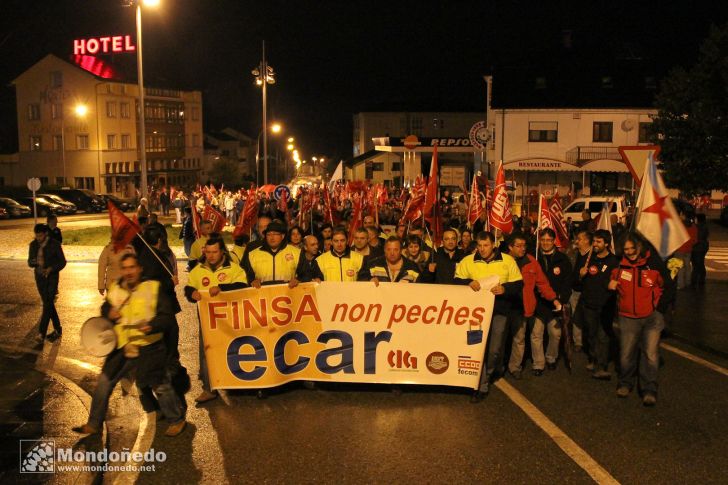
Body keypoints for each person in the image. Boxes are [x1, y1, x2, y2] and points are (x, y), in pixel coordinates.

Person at [74, 254, 186, 437]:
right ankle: (93, 424)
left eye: (132, 267)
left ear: (139, 269)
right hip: (122, 347)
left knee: (160, 386)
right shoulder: (116, 289)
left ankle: (177, 419)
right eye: (125, 268)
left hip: (149, 347)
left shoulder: (153, 288)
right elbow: (105, 309)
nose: (129, 272)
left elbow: (167, 318)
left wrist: (152, 326)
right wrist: (108, 312)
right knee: (104, 383)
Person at [455, 231, 523, 402]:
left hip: (499, 311)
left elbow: (518, 284)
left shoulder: (508, 260)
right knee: (478, 349)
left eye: (486, 245)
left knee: (494, 349)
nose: (482, 249)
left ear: (493, 245)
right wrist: (467, 283)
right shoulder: (468, 260)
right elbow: (456, 281)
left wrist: (504, 289)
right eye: (479, 245)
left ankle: (491, 370)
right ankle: (481, 384)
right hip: (474, 314)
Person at [608, 233, 674, 406]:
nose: (629, 252)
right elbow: (611, 280)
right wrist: (611, 285)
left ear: (639, 246)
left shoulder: (654, 263)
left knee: (650, 355)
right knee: (626, 354)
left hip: (652, 317)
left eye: (632, 248)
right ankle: (625, 383)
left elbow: (667, 285)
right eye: (626, 249)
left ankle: (649, 389)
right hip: (627, 317)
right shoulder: (619, 265)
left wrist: (659, 310)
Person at [185, 236, 248, 403]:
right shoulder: (197, 270)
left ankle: (235, 382)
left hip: (231, 320)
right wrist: (192, 293)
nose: (211, 256)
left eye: (214, 252)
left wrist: (222, 288)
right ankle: (208, 388)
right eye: (208, 252)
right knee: (206, 352)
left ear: (222, 252)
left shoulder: (234, 269)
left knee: (233, 349)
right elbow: (189, 288)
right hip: (208, 320)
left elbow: (242, 287)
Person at [506, 233, 560, 378]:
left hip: (528, 307)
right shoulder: (503, 261)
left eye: (524, 246)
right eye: (518, 246)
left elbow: (542, 283)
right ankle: (513, 366)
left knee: (524, 337)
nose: (522, 249)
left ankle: (523, 366)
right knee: (517, 338)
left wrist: (553, 299)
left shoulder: (531, 261)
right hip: (510, 307)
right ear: (510, 247)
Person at [578, 229, 618, 380]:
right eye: (594, 241)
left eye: (598, 242)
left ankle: (601, 366)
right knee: (591, 334)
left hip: (605, 305)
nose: (595, 244)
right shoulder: (589, 258)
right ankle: (593, 359)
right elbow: (578, 281)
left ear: (606, 244)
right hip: (589, 303)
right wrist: (581, 276)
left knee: (603, 336)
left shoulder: (614, 261)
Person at [535, 228, 572, 371]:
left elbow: (567, 282)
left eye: (548, 240)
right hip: (538, 304)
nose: (545, 243)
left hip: (555, 304)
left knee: (555, 334)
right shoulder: (535, 257)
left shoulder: (563, 259)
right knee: (536, 334)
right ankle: (538, 363)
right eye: (543, 240)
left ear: (553, 241)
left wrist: (561, 299)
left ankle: (551, 357)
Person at [28, 223, 66, 342]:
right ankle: (58, 329)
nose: (38, 238)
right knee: (48, 303)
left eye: (40, 235)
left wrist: (51, 268)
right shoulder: (33, 245)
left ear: (45, 234)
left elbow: (62, 262)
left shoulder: (54, 244)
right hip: (39, 278)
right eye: (36, 236)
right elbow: (29, 262)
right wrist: (33, 262)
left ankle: (41, 333)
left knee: (47, 303)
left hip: (51, 277)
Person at [243, 220, 301, 287]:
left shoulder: (296, 252)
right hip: (262, 295)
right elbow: (244, 275)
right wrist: (252, 281)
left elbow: (306, 274)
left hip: (288, 294)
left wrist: (298, 280)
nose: (272, 237)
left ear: (282, 236)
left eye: (275, 234)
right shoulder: (253, 254)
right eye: (268, 234)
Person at [569, 229, 593, 352]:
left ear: (587, 240)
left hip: (588, 291)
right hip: (575, 290)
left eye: (579, 239)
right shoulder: (574, 253)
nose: (576, 241)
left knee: (588, 318)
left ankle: (589, 340)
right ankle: (578, 341)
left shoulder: (593, 255)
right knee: (576, 316)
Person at [691, 213, 709, 288]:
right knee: (700, 263)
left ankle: (696, 279)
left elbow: (698, 237)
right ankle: (701, 278)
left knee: (697, 264)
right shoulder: (705, 226)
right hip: (703, 247)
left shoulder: (698, 227)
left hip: (698, 247)